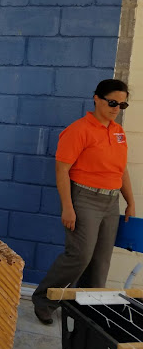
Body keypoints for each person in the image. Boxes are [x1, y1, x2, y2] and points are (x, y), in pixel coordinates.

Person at [32, 79, 135, 325]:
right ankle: (44, 300)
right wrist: (67, 207)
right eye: (112, 103)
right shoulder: (79, 130)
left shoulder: (118, 132)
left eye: (122, 105)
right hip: (85, 199)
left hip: (111, 202)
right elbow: (62, 170)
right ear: (96, 99)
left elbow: (121, 170)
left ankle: (87, 310)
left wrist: (130, 201)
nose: (116, 109)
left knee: (100, 261)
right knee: (79, 256)